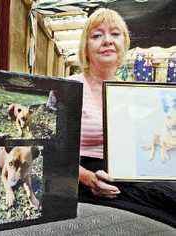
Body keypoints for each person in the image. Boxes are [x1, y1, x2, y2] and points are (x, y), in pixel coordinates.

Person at [68, 8, 176, 227]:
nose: (107, 40)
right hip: (82, 175)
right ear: (85, 48)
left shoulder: (134, 93)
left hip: (127, 172)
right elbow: (51, 151)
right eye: (97, 35)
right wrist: (88, 178)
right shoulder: (70, 87)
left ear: (124, 43)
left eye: (115, 34)